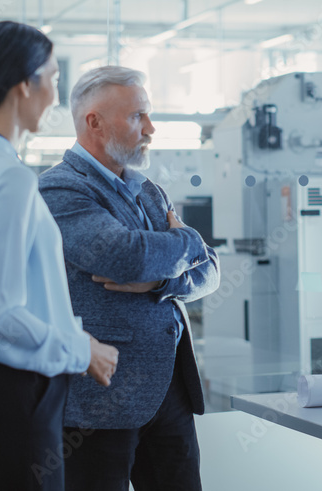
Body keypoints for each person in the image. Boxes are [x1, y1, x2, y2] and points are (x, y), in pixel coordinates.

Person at [0, 21, 119, 491]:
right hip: (11, 403)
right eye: (52, 78)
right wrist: (81, 349)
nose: (55, 95)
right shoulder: (10, 179)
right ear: (23, 84)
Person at [38, 66, 220, 491]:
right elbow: (125, 257)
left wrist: (161, 280)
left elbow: (209, 270)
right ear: (94, 122)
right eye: (138, 116)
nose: (151, 128)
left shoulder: (149, 190)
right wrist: (187, 242)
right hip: (101, 401)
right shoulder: (61, 189)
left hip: (169, 390)